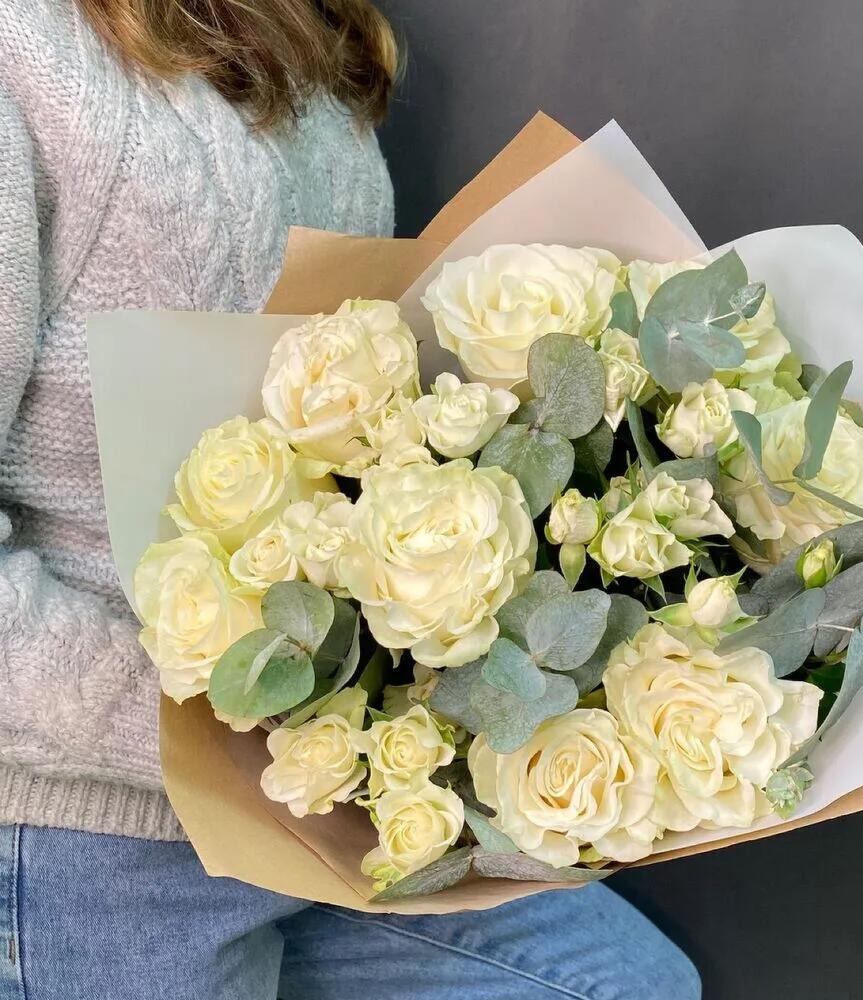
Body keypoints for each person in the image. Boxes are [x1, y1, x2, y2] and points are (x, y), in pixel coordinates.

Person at [0, 2, 701, 997]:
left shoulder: (306, 26)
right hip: (88, 834)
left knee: (625, 985)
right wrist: (233, 734)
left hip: (313, 783)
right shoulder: (25, 53)